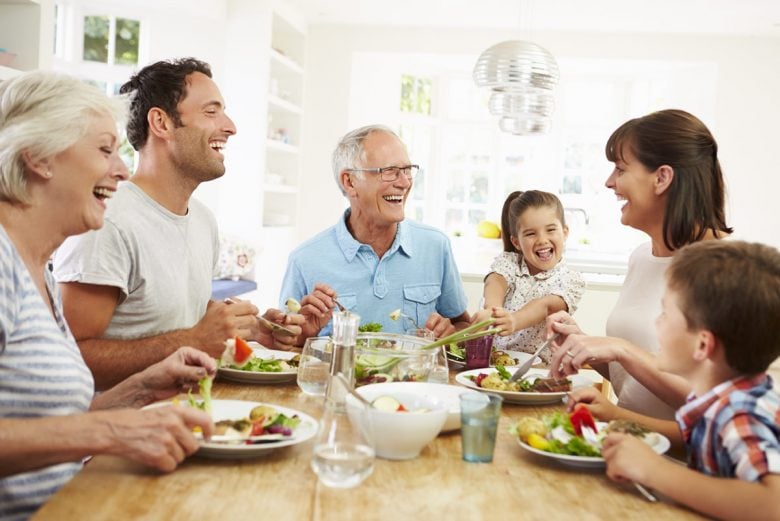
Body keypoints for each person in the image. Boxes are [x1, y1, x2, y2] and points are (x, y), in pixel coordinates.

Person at [0, 71, 215, 521]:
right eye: (104, 149)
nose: (121, 169)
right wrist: (110, 430)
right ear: (39, 157)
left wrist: (138, 390)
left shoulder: (36, 268)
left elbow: (52, 427)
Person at [53, 58, 302, 390]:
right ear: (161, 122)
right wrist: (195, 338)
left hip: (188, 415)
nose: (230, 126)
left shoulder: (203, 221)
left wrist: (253, 330)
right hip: (122, 430)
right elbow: (71, 358)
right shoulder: (107, 222)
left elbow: (175, 319)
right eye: (211, 112)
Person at [571, 241, 780, 521]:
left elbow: (772, 504)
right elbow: (691, 437)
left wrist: (655, 471)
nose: (657, 322)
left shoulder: (740, 413)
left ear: (703, 345)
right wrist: (616, 417)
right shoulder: (719, 398)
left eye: (666, 313)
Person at [545, 109, 732, 419]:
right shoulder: (642, 257)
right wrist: (584, 343)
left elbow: (715, 412)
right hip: (625, 450)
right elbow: (634, 382)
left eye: (620, 169)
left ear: (661, 178)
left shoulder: (726, 272)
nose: (609, 182)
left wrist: (621, 349)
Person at [279, 124, 470, 344]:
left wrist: (452, 334)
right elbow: (283, 346)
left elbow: (463, 325)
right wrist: (302, 336)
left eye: (407, 170)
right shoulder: (305, 260)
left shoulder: (435, 246)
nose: (404, 182)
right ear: (350, 182)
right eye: (389, 171)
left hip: (415, 379)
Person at [471, 190, 584, 363]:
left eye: (551, 230)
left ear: (565, 232)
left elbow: (546, 306)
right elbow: (495, 281)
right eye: (531, 233)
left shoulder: (571, 279)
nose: (542, 240)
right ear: (516, 242)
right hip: (494, 366)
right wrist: (491, 311)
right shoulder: (509, 262)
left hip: (540, 372)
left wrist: (513, 321)